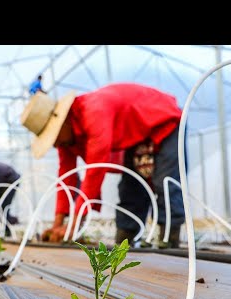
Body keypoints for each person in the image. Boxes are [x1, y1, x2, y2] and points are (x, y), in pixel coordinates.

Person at [21, 83, 185, 249]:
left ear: (63, 122)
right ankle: (124, 244)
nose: (55, 144)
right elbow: (66, 178)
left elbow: (95, 171)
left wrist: (73, 226)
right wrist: (57, 224)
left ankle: (169, 241)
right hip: (137, 135)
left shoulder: (94, 111)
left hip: (163, 119)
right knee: (131, 188)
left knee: (165, 183)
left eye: (53, 136)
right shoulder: (65, 140)